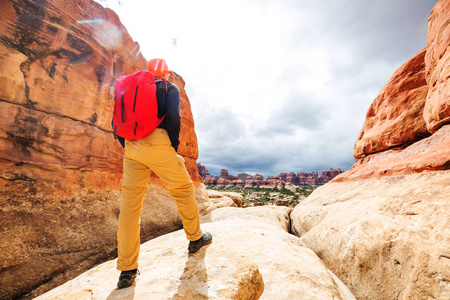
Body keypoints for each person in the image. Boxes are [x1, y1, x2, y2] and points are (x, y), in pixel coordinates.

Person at [116, 58, 212, 289]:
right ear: (165, 74)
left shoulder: (129, 88)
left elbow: (116, 122)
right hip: (159, 143)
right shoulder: (169, 88)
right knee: (183, 190)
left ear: (149, 72)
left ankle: (126, 270)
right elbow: (173, 119)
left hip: (131, 147)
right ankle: (195, 239)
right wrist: (172, 146)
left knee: (130, 208)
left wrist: (129, 145)